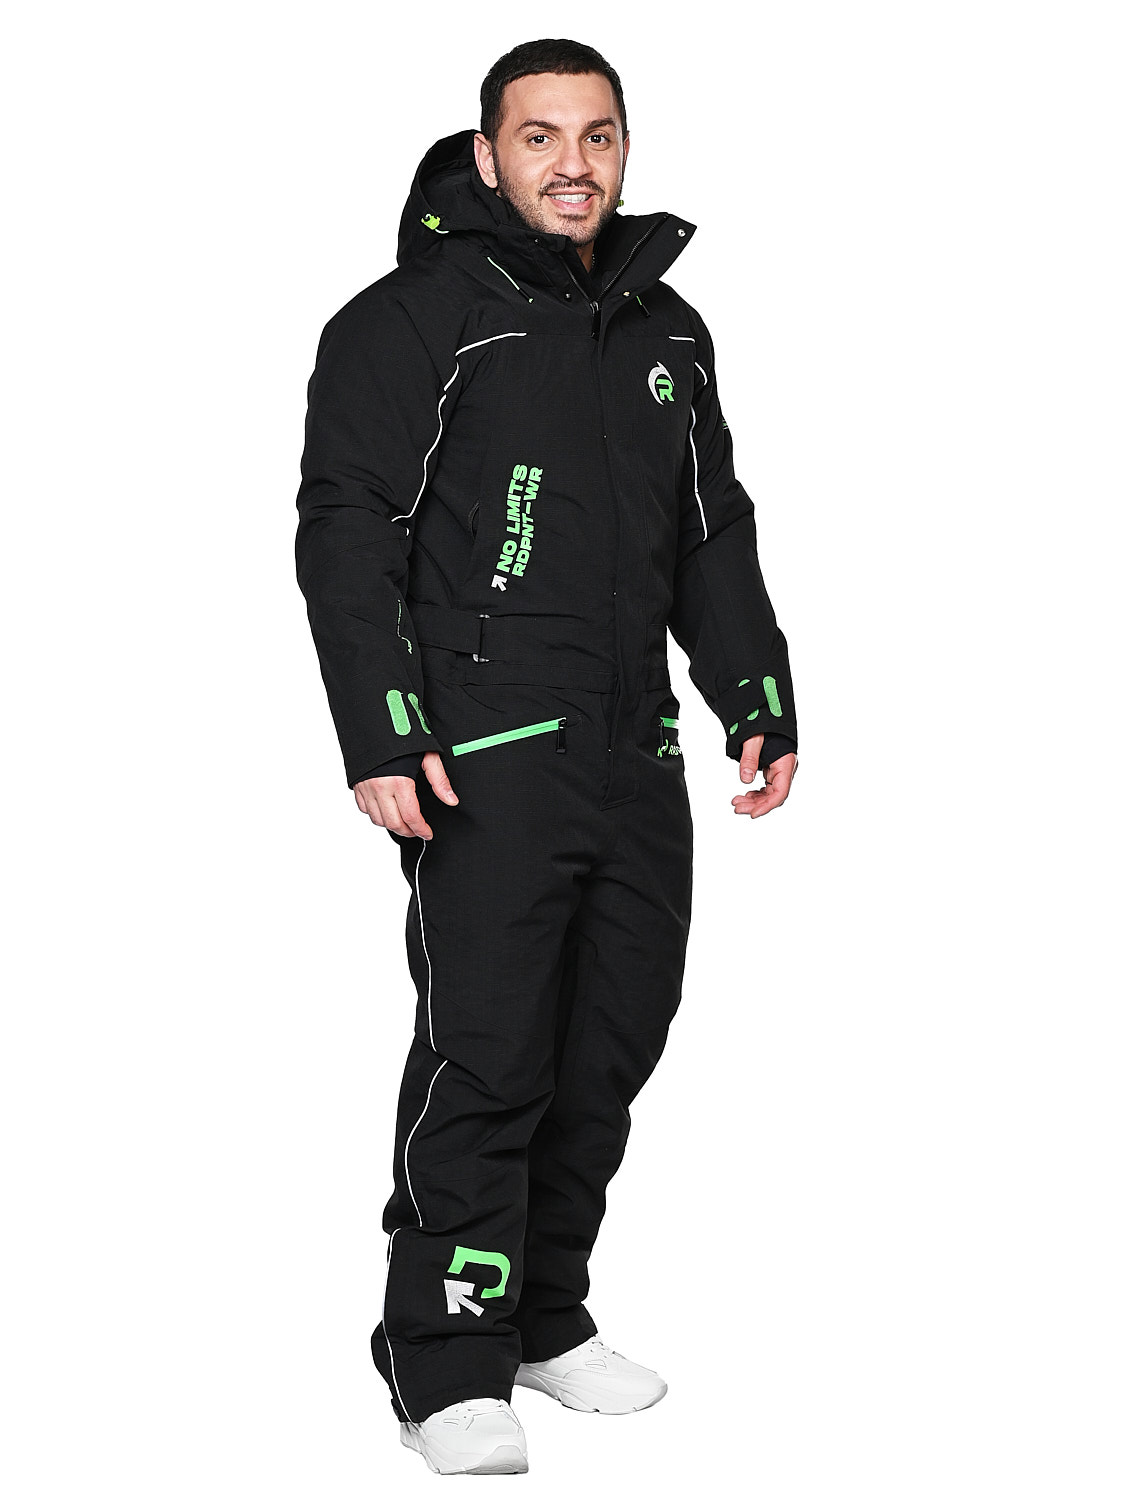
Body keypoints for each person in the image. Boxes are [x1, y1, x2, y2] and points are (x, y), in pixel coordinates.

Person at [294, 37, 799, 1476]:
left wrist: (755, 694)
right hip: (487, 752)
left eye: (598, 136)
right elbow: (345, 529)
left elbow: (711, 527)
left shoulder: (667, 331)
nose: (572, 164)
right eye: (540, 136)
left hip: (635, 749)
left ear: (622, 149)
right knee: (491, 1050)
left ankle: (541, 1314)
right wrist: (385, 732)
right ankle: (446, 1358)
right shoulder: (408, 320)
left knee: (611, 1044)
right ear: (487, 153)